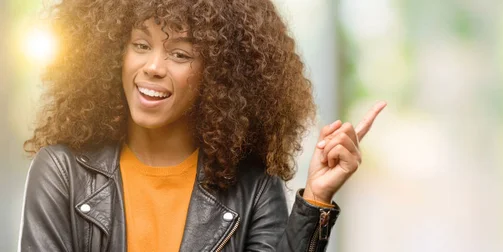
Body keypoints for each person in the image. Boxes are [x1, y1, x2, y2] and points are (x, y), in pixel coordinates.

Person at [18, 0, 386, 251]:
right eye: (141, 45)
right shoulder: (62, 172)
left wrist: (316, 200)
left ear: (219, 74)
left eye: (180, 54)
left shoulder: (254, 188)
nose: (154, 67)